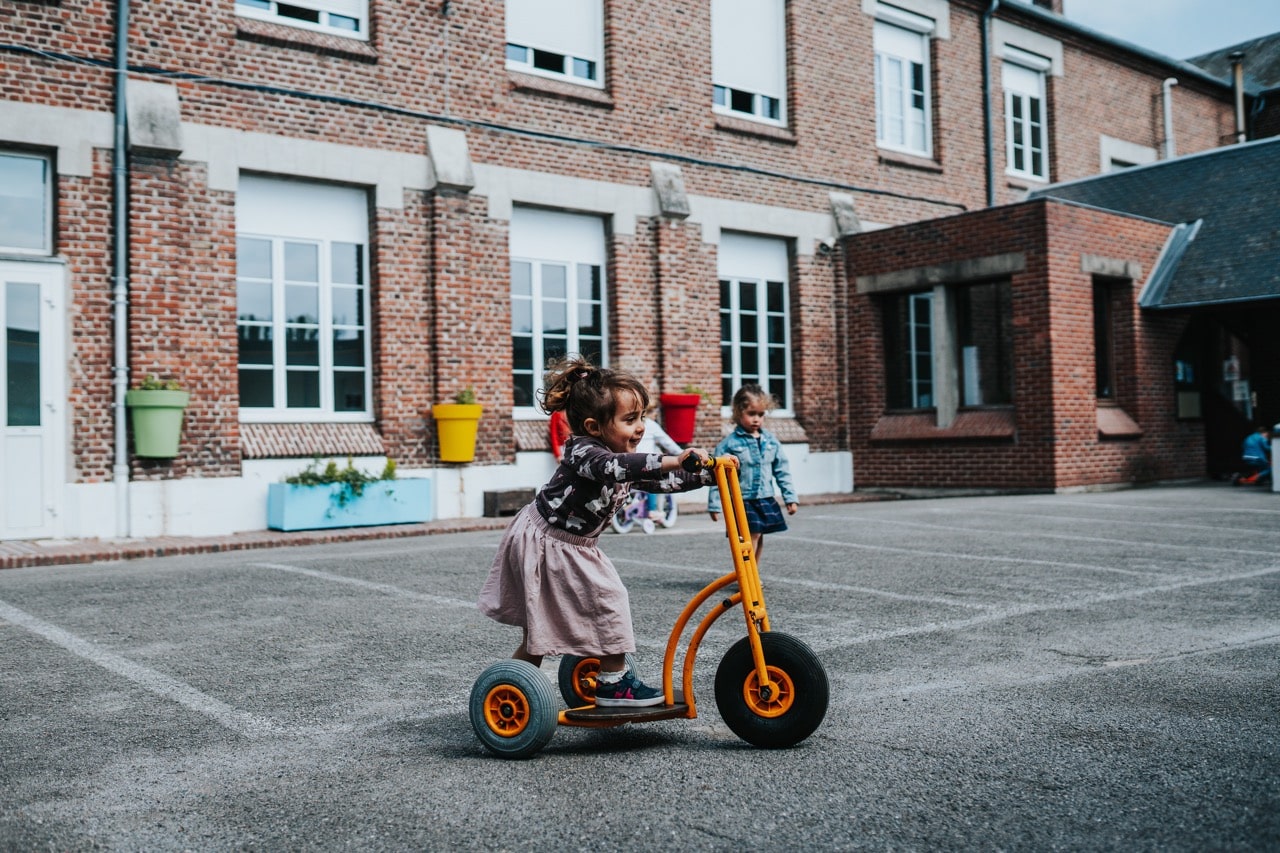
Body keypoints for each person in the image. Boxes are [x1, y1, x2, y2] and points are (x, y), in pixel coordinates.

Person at [478, 356, 731, 707]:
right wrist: (672, 458)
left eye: (642, 417)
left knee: (553, 624)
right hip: (548, 542)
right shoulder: (586, 453)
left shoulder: (619, 457)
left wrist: (709, 475)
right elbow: (614, 467)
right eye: (630, 420)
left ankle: (517, 684)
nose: (640, 428)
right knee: (606, 600)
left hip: (571, 543)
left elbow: (660, 480)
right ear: (594, 426)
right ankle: (610, 684)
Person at [707, 384, 798, 561]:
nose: (756, 419)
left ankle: (753, 571)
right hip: (743, 499)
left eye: (761, 414)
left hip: (764, 497)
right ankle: (746, 571)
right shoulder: (729, 444)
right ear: (738, 412)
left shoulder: (771, 441)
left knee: (759, 534)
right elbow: (717, 476)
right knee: (751, 535)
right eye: (751, 414)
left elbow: (782, 471)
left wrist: (790, 498)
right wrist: (715, 505)